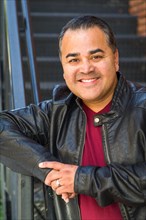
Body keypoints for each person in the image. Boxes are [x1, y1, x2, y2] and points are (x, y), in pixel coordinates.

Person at [0, 15, 146, 220]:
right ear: (63, 67)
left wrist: (81, 180)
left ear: (115, 59)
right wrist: (49, 170)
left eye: (96, 57)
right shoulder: (55, 113)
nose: (86, 68)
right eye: (74, 60)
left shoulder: (142, 108)